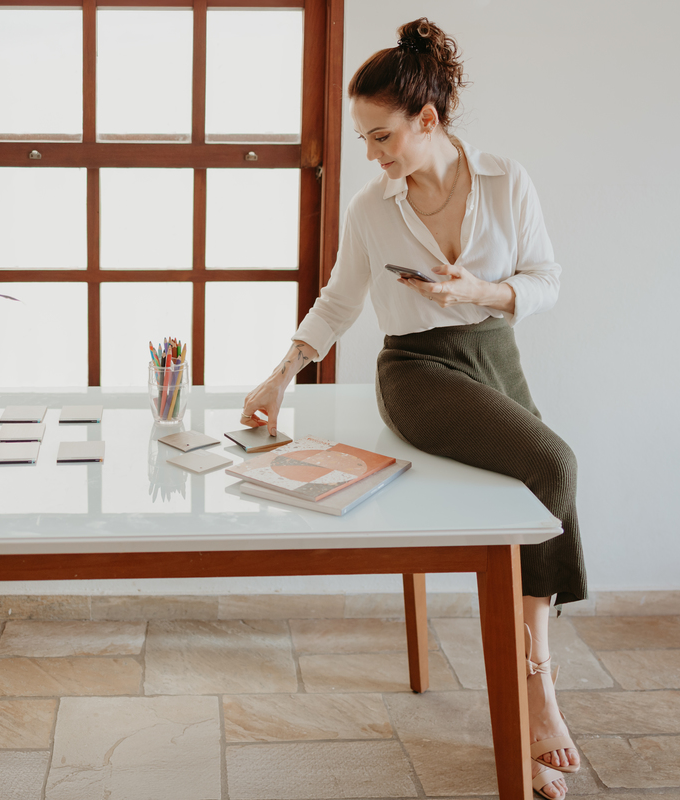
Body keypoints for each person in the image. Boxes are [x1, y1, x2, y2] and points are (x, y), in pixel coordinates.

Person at [240, 17, 586, 799]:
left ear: (427, 119)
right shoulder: (373, 207)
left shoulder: (504, 181)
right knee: (556, 463)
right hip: (417, 371)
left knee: (543, 488)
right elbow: (340, 300)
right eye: (364, 138)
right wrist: (280, 376)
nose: (372, 153)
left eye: (382, 136)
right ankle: (540, 687)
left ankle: (532, 679)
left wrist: (480, 291)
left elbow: (546, 280)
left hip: (495, 360)